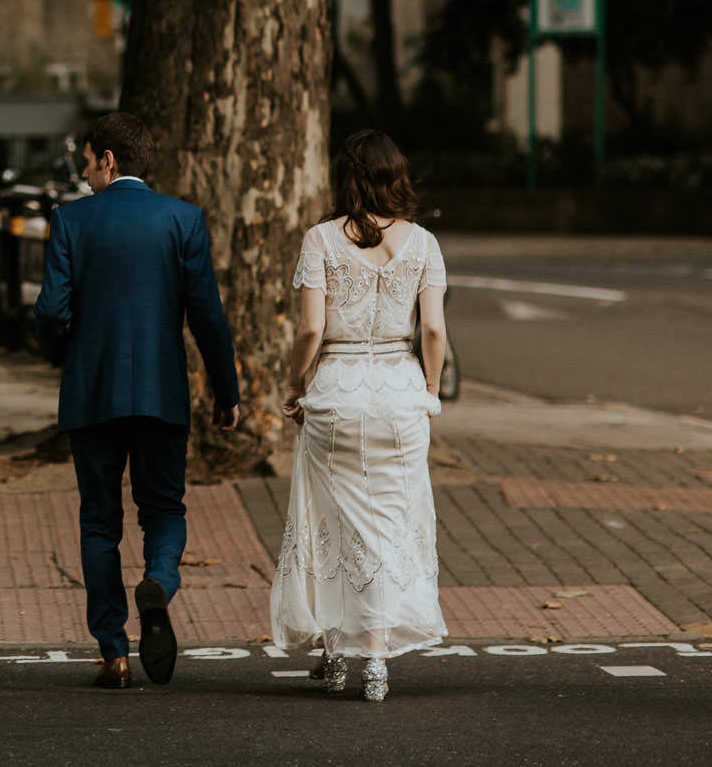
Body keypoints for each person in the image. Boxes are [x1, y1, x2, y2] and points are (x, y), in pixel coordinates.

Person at [31, 111, 243, 691]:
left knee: (99, 522)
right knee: (165, 510)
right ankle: (159, 580)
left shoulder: (70, 221)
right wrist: (228, 393)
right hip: (161, 393)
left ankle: (113, 652)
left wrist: (64, 355)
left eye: (88, 157)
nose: (83, 169)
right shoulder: (183, 220)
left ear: (110, 161)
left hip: (91, 394)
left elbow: (50, 311)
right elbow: (209, 319)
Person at [269, 129, 450, 702]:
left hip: (337, 392)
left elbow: (311, 329)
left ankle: (334, 652)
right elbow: (434, 330)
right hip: (399, 391)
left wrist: (295, 386)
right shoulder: (423, 244)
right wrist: (429, 389)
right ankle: (375, 655)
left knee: (330, 519)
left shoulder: (321, 239)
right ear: (395, 176)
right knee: (389, 523)